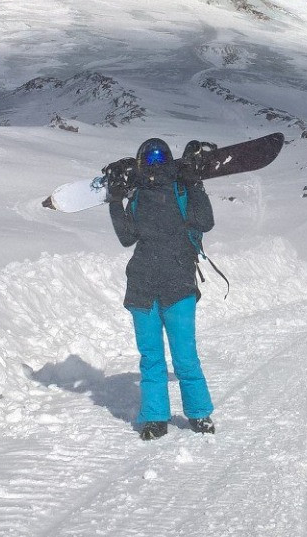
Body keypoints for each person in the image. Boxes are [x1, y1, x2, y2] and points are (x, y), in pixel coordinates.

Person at [108, 137, 216, 440]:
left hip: (178, 285)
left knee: (185, 357)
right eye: (149, 157)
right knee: (151, 358)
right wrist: (116, 200)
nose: (155, 162)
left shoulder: (181, 189)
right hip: (142, 287)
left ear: (169, 160)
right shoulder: (138, 195)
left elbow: (205, 222)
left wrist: (195, 184)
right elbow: (127, 237)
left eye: (161, 156)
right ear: (141, 162)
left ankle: (199, 413)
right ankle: (156, 417)